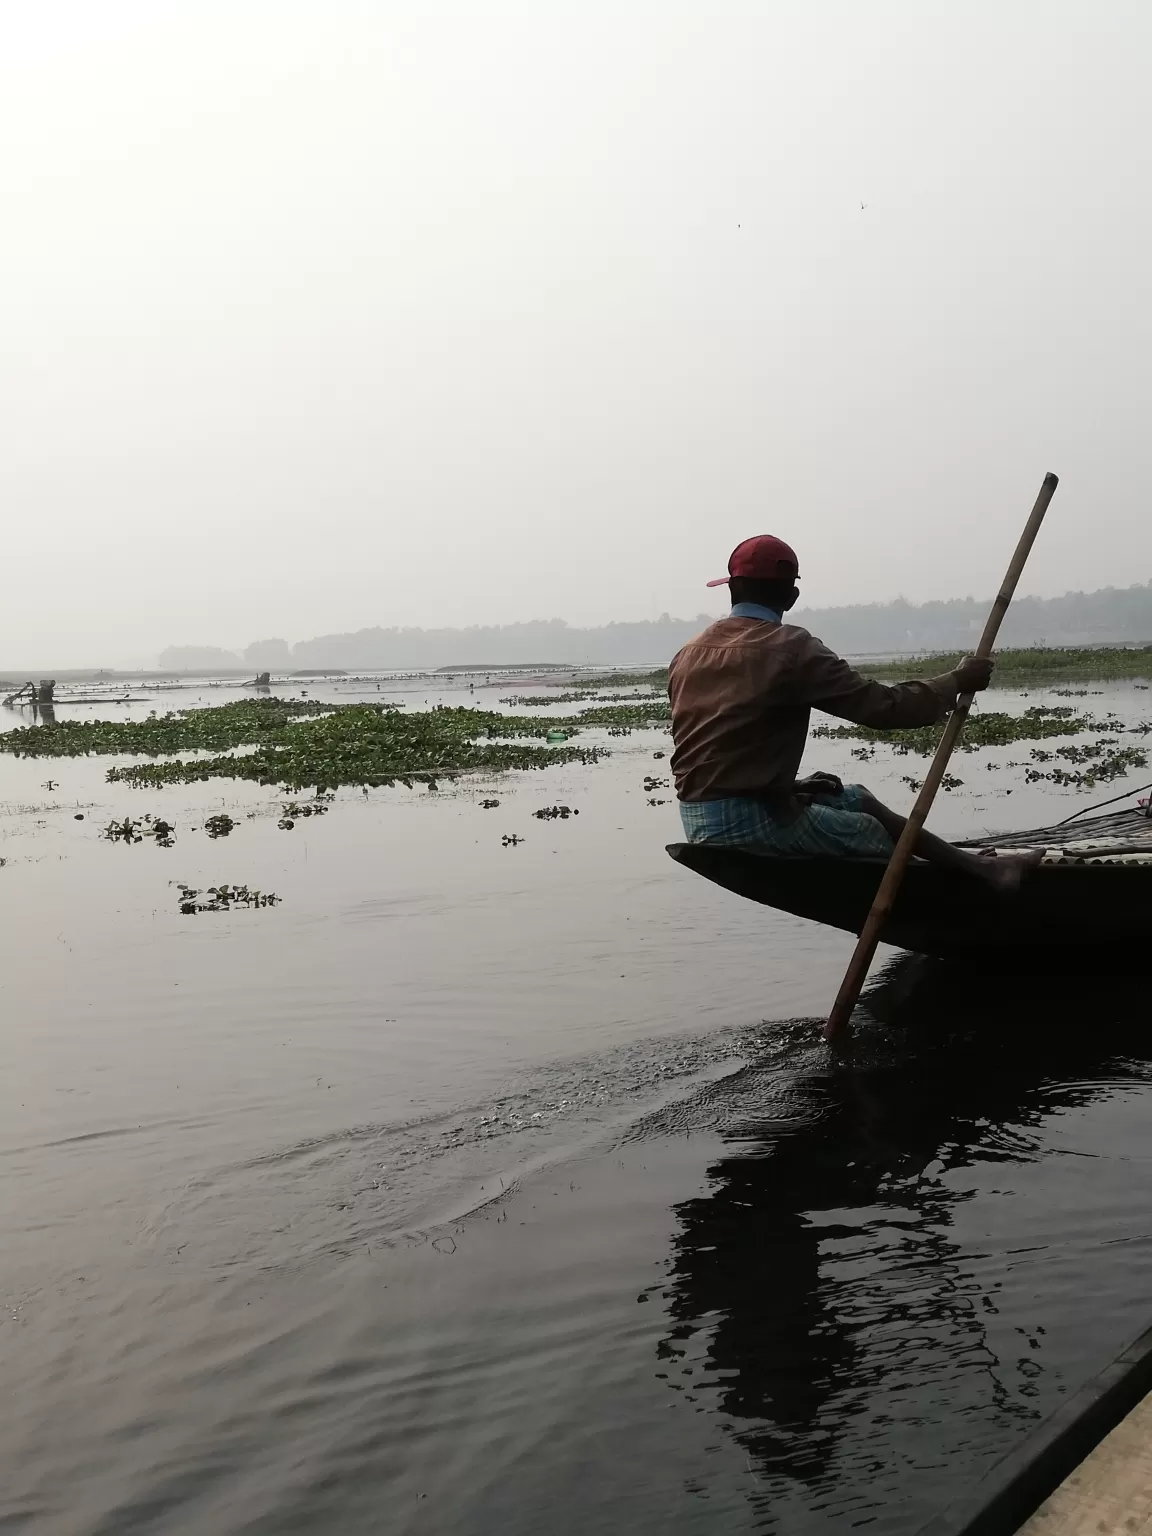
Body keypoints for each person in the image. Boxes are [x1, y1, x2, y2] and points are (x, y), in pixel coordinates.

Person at [668, 535, 1043, 891]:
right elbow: (885, 708)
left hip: (699, 817)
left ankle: (981, 867)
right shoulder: (790, 648)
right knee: (871, 832)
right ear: (792, 596)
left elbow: (713, 748)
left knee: (857, 797)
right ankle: (979, 879)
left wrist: (788, 787)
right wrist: (957, 680)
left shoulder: (690, 651)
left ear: (732, 589)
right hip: (749, 823)